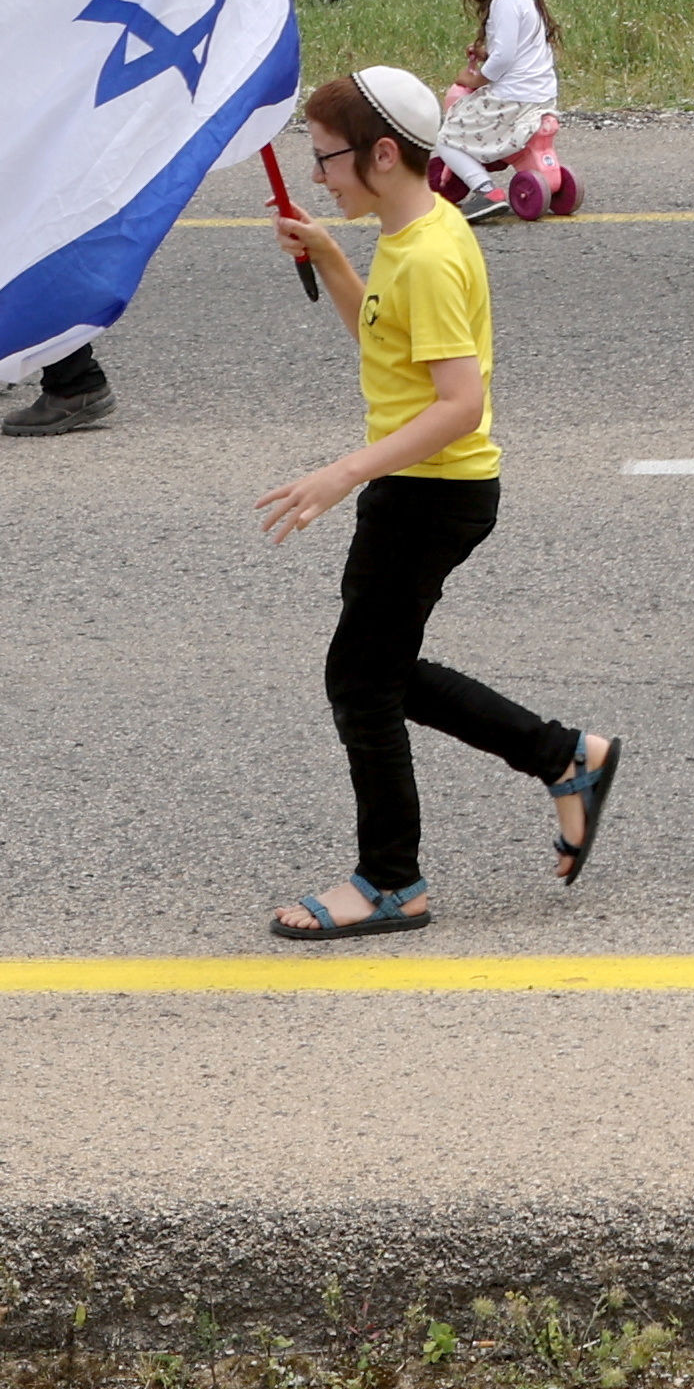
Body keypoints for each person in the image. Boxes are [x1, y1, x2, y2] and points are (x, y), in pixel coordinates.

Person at [253, 68, 617, 937]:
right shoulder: (408, 230)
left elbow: (457, 404)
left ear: (383, 154)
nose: (318, 176)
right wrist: (336, 261)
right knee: (380, 670)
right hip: (421, 487)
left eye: (327, 159)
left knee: (360, 678)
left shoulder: (427, 253)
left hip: (428, 492)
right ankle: (565, 756)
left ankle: (391, 881)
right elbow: (385, 346)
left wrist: (342, 473)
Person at [437, 0, 569, 223]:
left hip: (513, 99)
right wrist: (487, 54)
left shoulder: (504, 3)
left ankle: (485, 191)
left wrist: (476, 77)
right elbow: (517, 51)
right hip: (540, 96)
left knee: (446, 137)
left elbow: (504, 58)